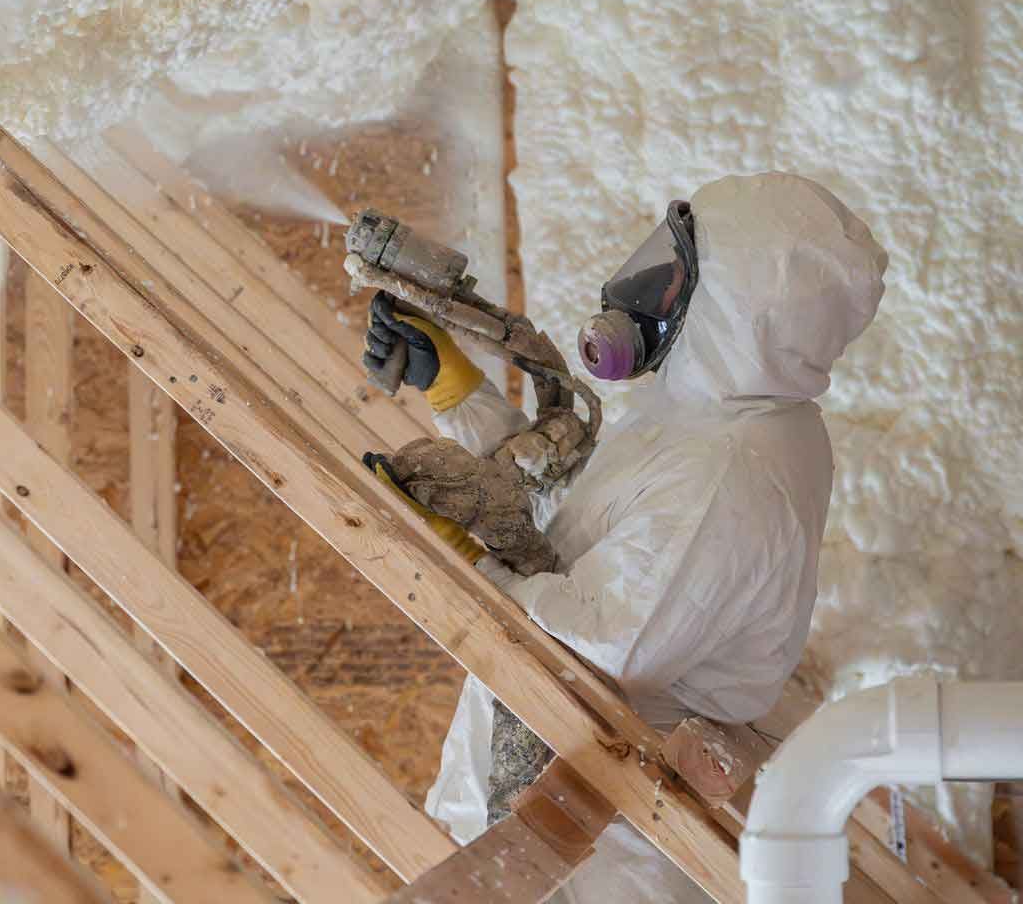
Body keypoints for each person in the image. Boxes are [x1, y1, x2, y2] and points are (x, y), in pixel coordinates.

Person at [363, 173, 887, 901]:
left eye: (673, 274)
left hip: (595, 853)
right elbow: (572, 534)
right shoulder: (716, 417)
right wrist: (458, 392)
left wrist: (460, 560)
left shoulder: (729, 475)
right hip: (556, 814)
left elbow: (597, 648)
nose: (646, 289)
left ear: (735, 305)